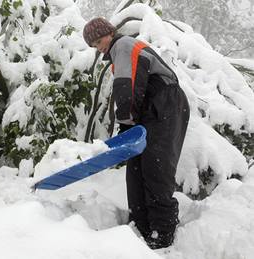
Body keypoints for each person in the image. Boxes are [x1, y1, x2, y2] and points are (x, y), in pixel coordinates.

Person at [83, 17, 190, 249]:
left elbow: (126, 88)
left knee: (155, 168)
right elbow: (132, 89)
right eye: (94, 45)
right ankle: (140, 230)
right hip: (150, 110)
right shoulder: (118, 52)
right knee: (136, 170)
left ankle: (162, 235)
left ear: (110, 33)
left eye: (99, 40)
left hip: (166, 104)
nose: (99, 47)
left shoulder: (124, 45)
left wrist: (125, 125)